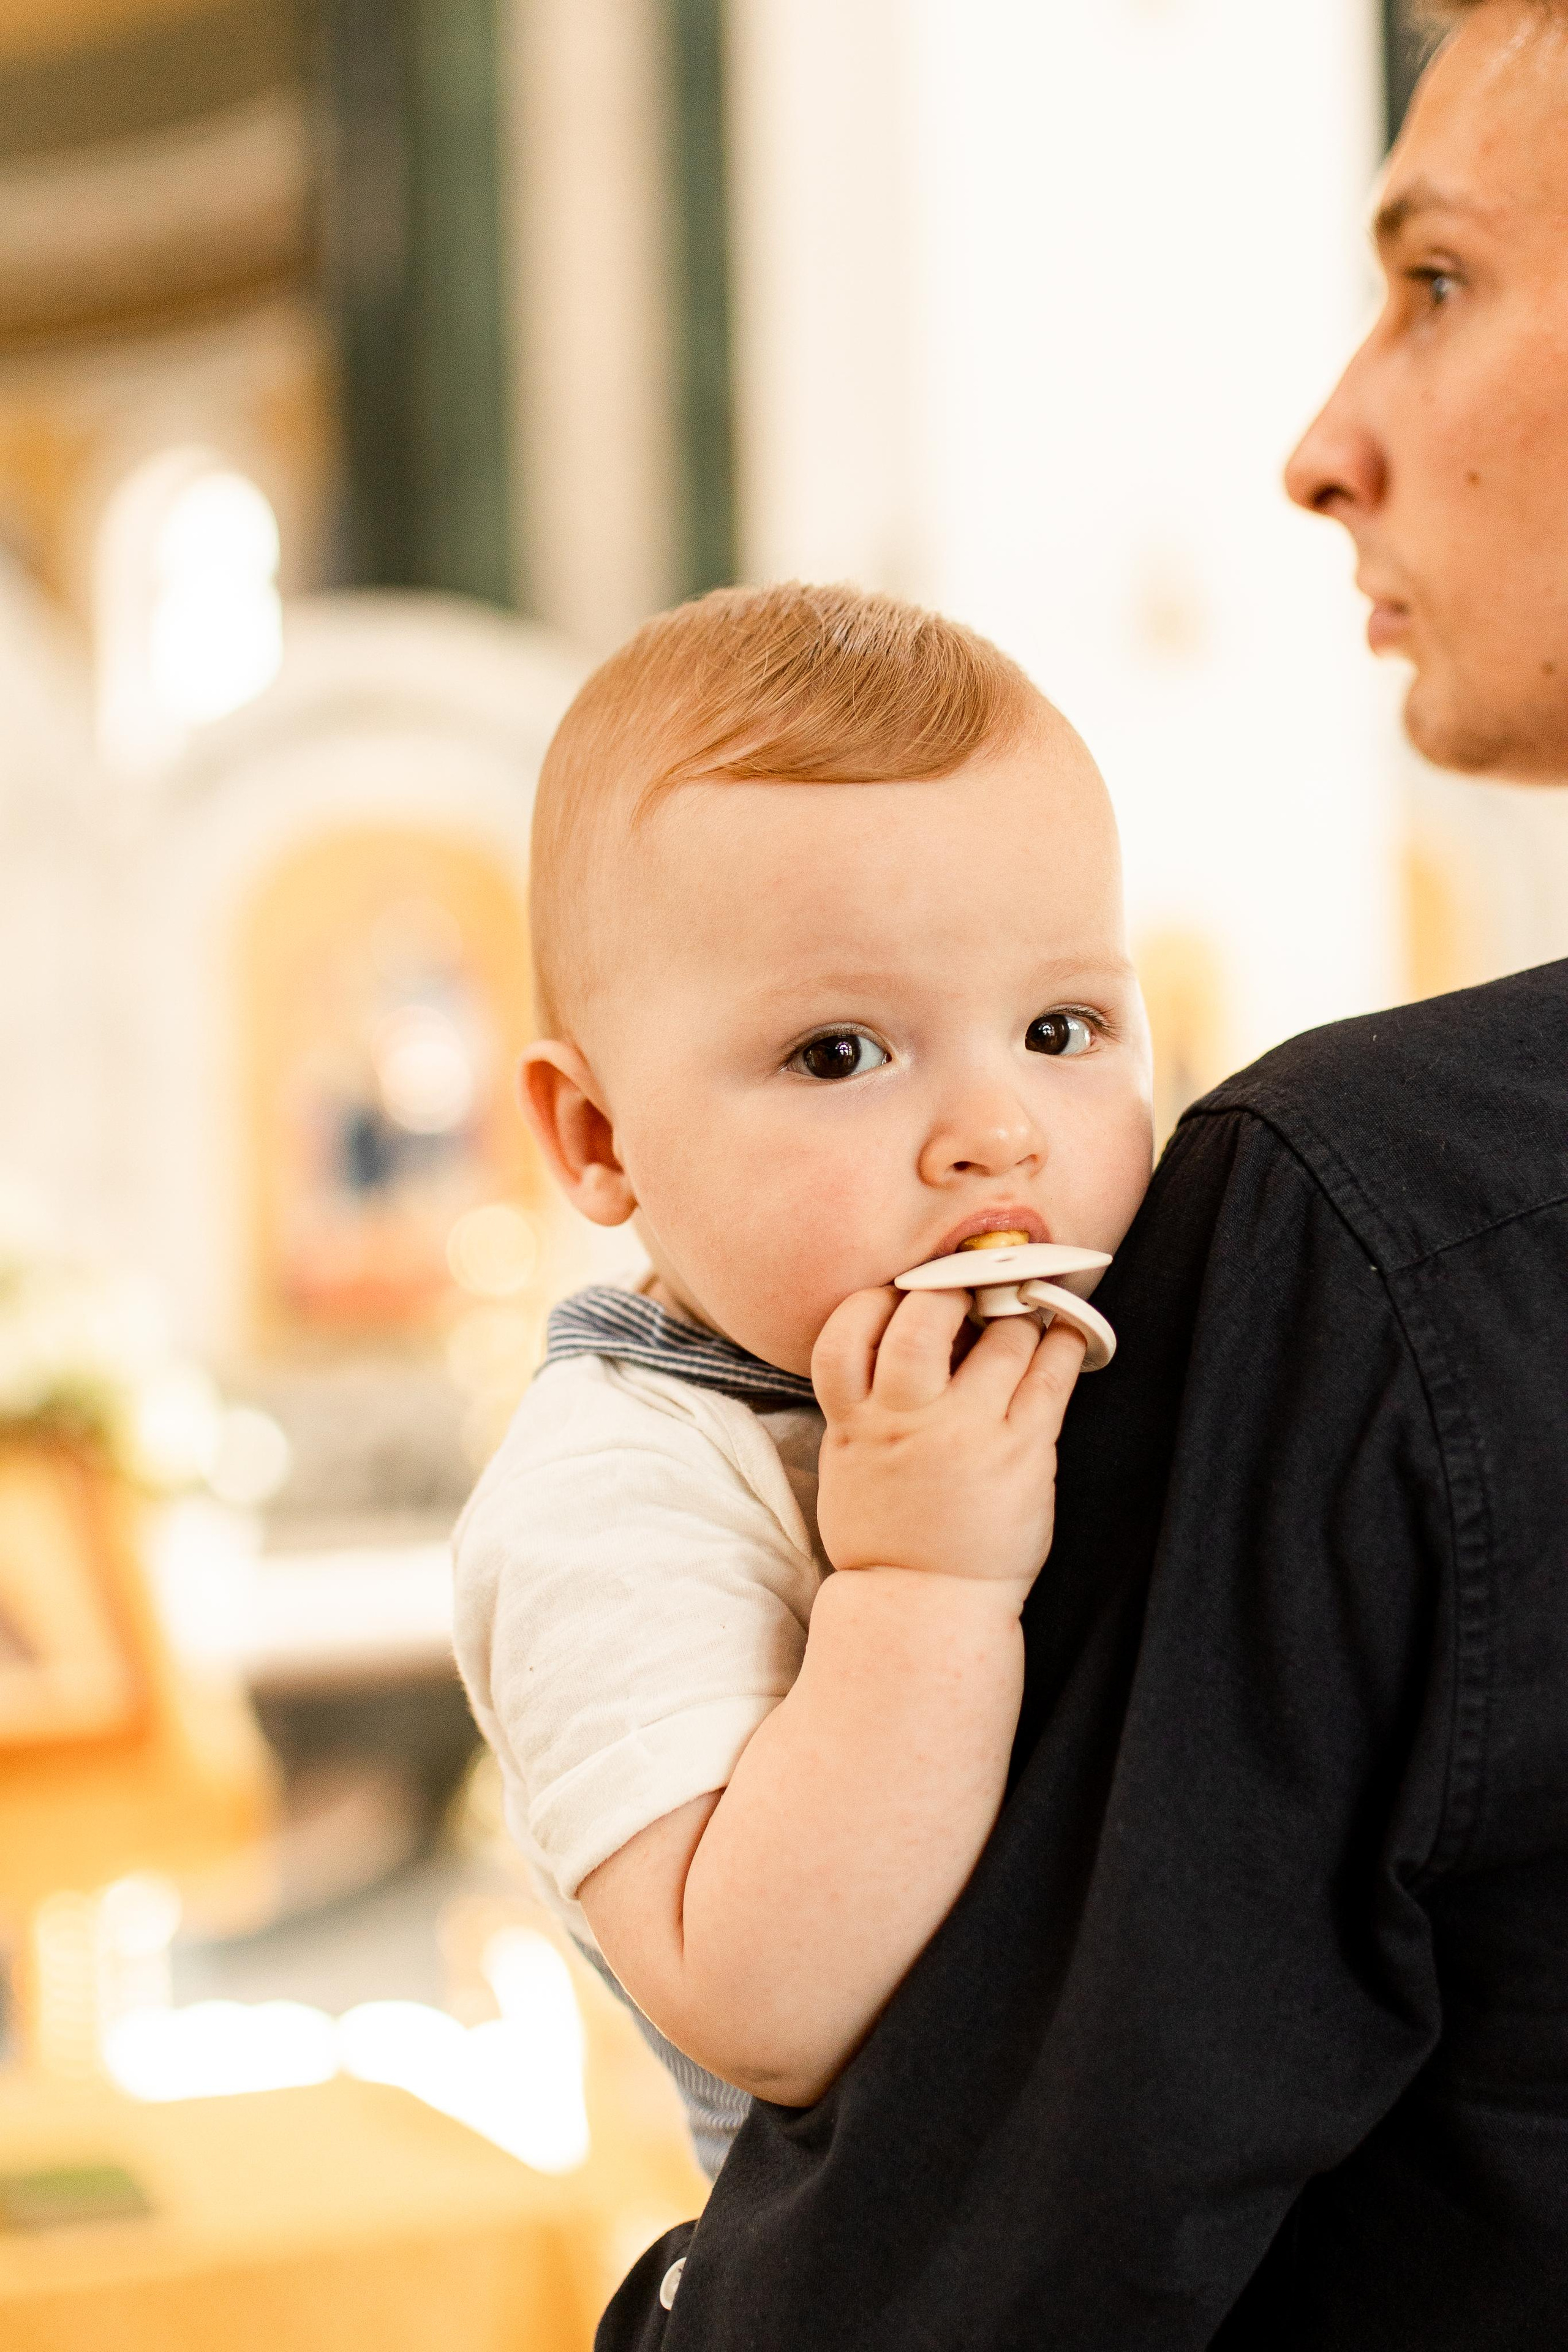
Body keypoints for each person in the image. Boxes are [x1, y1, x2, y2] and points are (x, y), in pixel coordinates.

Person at [595, 3, 1568, 2343]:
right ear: (593, 1129)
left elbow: (988, 2271)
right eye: (840, 1048)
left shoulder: (1374, 1219)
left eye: (1437, 282)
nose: (1324, 443)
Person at [453, 582, 1150, 2177]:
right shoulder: (617, 1494)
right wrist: (921, 1579)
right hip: (889, 2270)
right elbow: (767, 2001)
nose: (999, 1130)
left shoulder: (1084, 1323)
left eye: (1062, 1026)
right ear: (600, 1138)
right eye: (841, 1054)